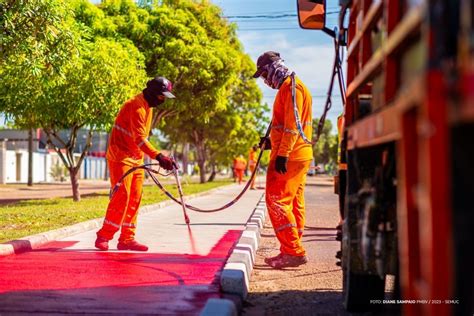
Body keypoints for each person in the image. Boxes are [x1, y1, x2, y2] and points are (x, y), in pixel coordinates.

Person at [95, 77, 177, 252]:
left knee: (135, 197)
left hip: (136, 158)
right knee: (121, 196)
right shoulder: (136, 106)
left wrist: (160, 156)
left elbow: (142, 139)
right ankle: (104, 235)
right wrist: (159, 156)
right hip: (120, 156)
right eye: (162, 96)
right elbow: (139, 139)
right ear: (153, 93)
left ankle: (127, 239)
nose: (162, 100)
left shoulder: (148, 107)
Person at [254, 51, 313, 268]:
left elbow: (292, 126)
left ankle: (293, 251)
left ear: (273, 68)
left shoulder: (291, 88)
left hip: (291, 156)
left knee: (277, 201)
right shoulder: (293, 87)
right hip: (297, 154)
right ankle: (289, 248)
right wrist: (272, 142)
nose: (264, 80)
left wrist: (283, 154)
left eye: (263, 74)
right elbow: (286, 126)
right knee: (294, 203)